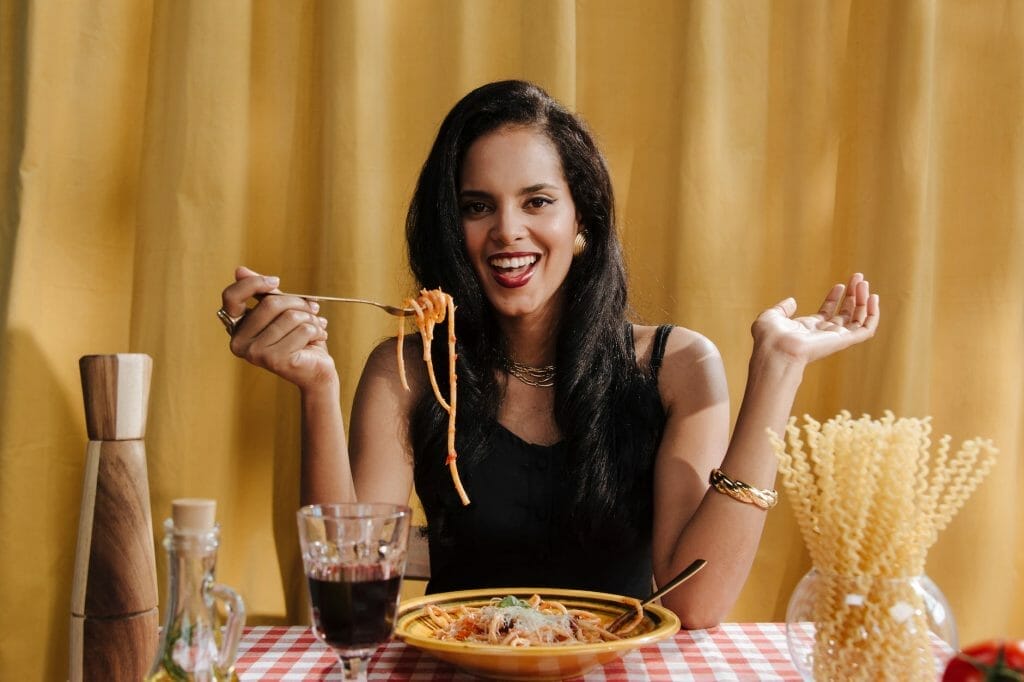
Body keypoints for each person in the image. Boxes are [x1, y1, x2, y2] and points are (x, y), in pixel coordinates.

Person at [218, 80, 879, 629]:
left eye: (537, 201)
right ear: (454, 229)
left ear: (582, 222)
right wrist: (316, 389)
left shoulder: (677, 366)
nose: (508, 230)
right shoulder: (409, 368)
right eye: (478, 207)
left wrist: (777, 372)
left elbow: (695, 603)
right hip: (457, 672)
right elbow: (346, 604)